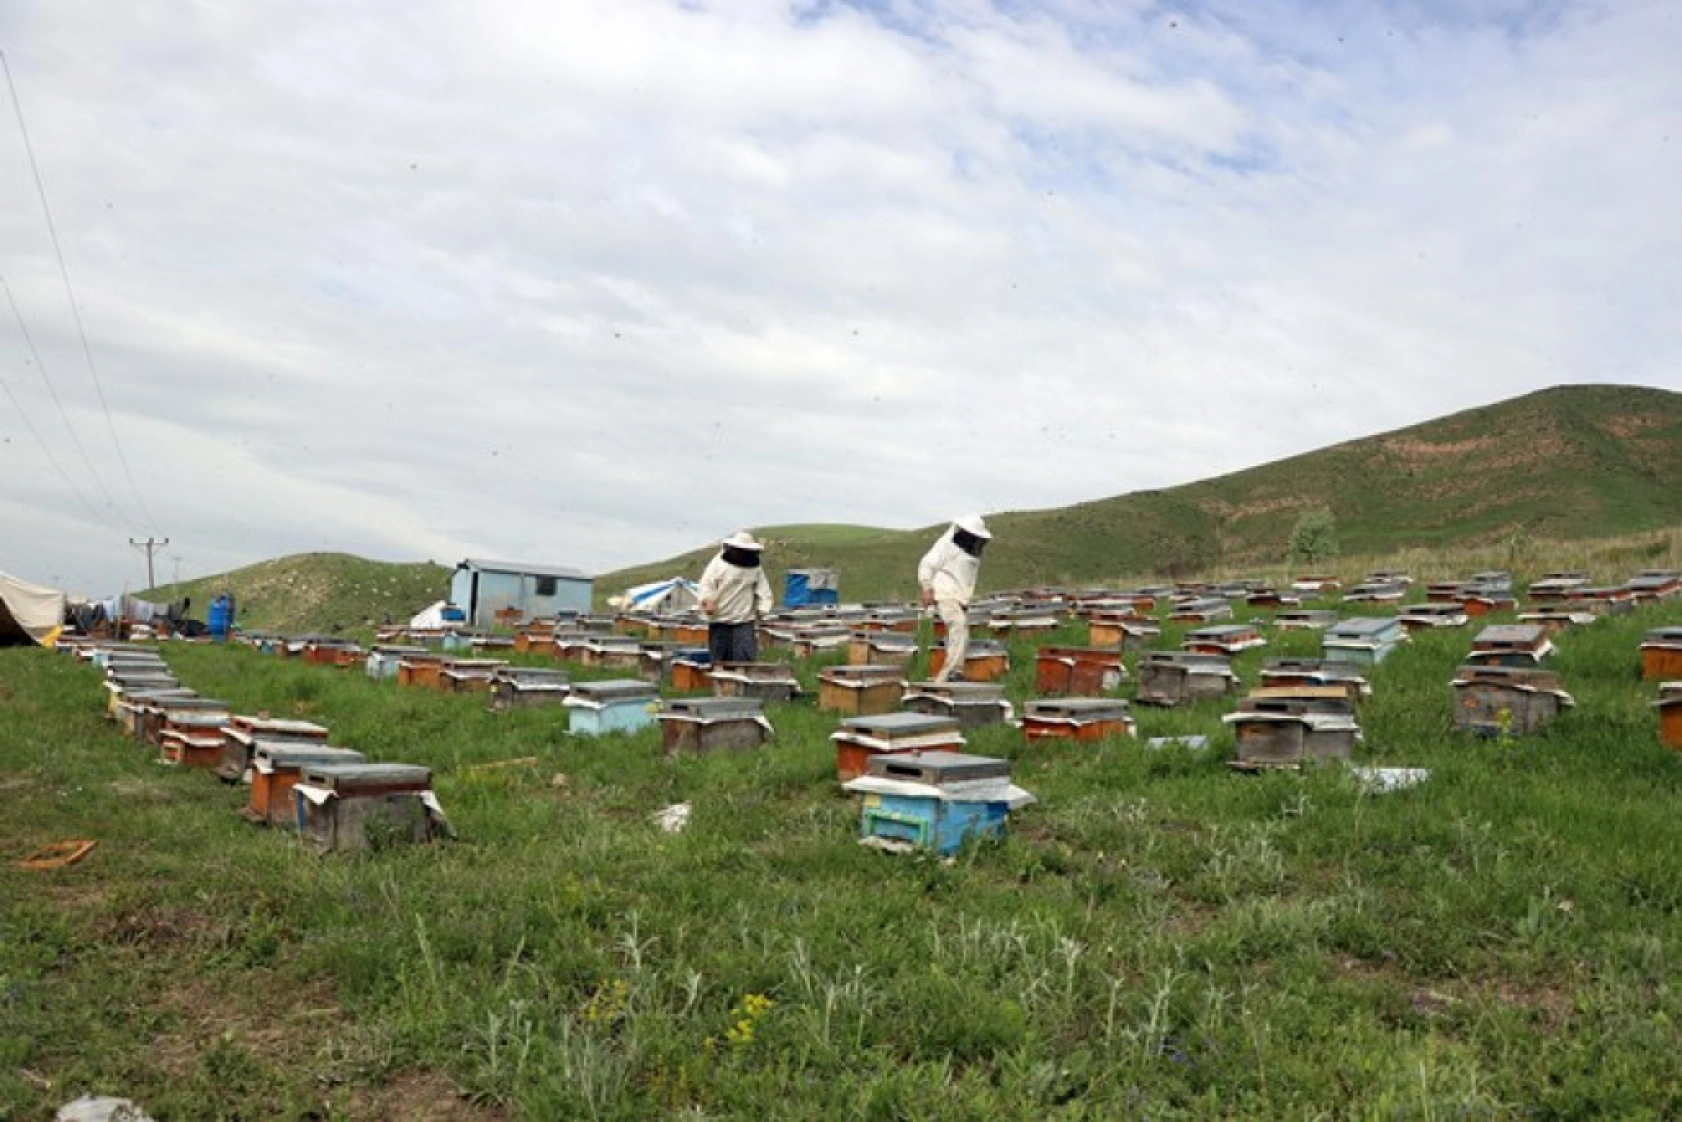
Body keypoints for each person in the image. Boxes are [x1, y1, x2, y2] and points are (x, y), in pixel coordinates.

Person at [917, 514, 991, 683]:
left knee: (961, 632)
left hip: (958, 598)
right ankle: (951, 673)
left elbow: (966, 579)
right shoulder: (946, 545)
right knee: (958, 624)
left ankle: (949, 675)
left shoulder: (972, 554)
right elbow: (927, 564)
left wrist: (965, 600)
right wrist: (927, 587)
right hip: (944, 593)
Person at [699, 530, 774, 666]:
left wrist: (763, 610)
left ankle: (744, 687)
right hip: (720, 618)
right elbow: (706, 584)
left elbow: (764, 591)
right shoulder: (717, 564)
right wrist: (707, 600)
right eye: (740, 550)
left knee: (745, 659)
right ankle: (721, 687)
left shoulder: (755, 567)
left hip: (744, 619)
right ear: (733, 549)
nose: (741, 553)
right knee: (719, 660)